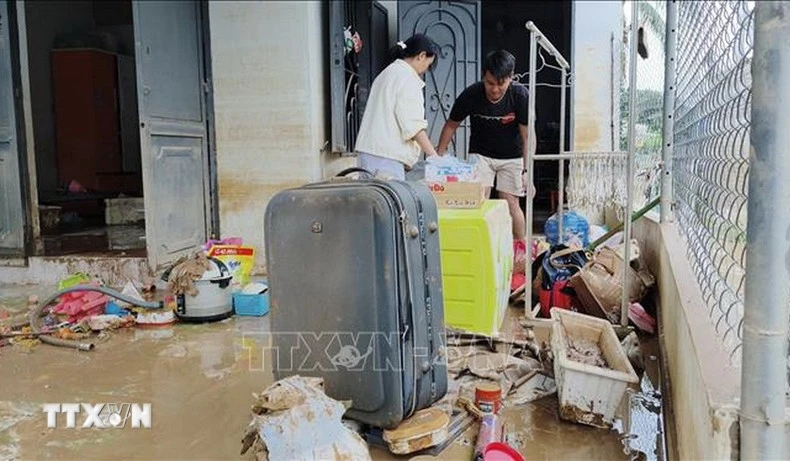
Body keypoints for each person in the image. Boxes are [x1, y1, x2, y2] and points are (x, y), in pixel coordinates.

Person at [436, 50, 535, 293]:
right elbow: (451, 125)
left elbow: (527, 135)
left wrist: (527, 171)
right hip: (481, 154)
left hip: (512, 156)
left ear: (511, 78)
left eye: (500, 84)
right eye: (490, 83)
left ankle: (520, 253)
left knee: (510, 203)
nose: (494, 89)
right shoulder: (471, 94)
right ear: (484, 76)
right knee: (478, 199)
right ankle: (476, 248)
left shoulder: (520, 96)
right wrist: (438, 157)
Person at [354, 34, 441, 179]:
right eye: (428, 64)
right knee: (390, 201)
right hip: (386, 158)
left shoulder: (387, 73)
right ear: (421, 56)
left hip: (370, 153)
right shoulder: (407, 78)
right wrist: (435, 158)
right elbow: (413, 126)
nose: (426, 70)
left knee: (371, 200)